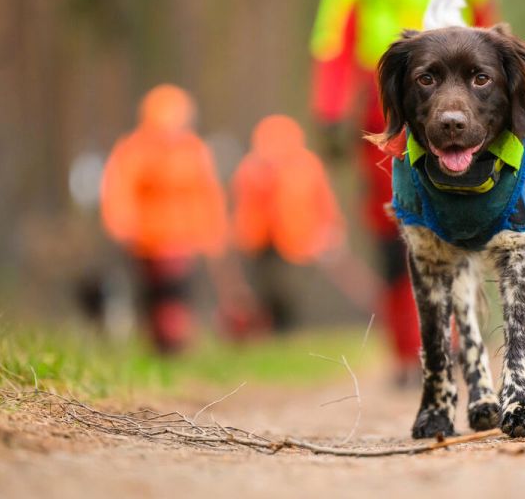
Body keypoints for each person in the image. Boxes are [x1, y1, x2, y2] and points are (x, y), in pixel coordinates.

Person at [309, 0, 497, 383]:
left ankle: (455, 344)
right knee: (395, 232)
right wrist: (329, 111)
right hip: (384, 117)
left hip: (456, 117)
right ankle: (407, 350)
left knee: (455, 223)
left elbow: (495, 44)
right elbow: (333, 44)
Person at [101, 84, 229, 352]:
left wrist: (214, 232)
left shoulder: (194, 150)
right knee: (154, 292)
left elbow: (208, 194)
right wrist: (121, 222)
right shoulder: (134, 148)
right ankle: (157, 339)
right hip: (147, 239)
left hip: (183, 239)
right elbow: (119, 189)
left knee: (178, 291)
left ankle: (177, 338)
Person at [231, 115, 346, 330]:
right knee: (265, 288)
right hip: (259, 241)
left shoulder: (308, 166)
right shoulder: (250, 169)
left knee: (289, 289)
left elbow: (325, 202)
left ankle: (287, 330)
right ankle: (269, 329)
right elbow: (243, 206)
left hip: (298, 242)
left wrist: (331, 232)